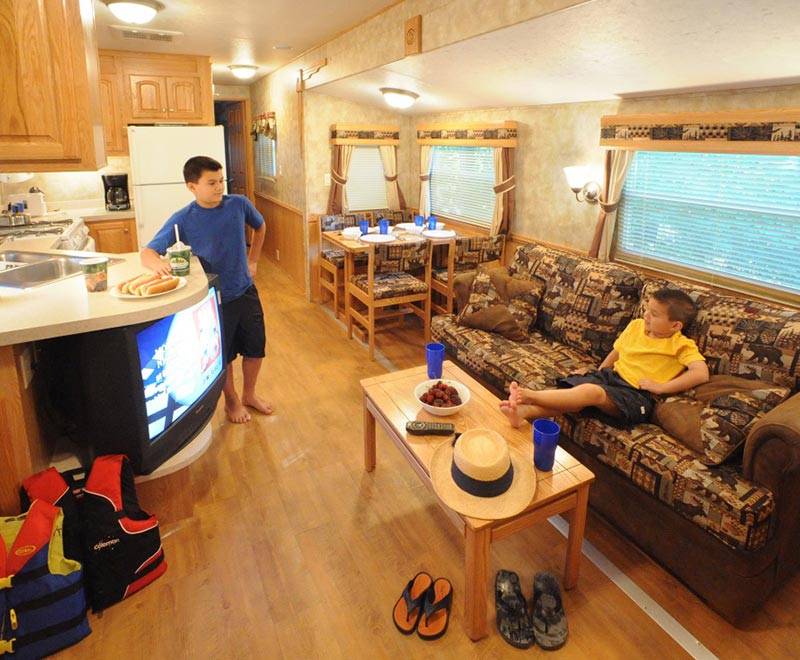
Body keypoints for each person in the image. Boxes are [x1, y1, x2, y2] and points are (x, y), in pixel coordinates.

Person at [141, 155, 274, 424]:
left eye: (221, 180)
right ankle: (232, 400)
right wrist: (157, 264)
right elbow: (148, 252)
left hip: (245, 290)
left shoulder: (239, 204)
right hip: (212, 299)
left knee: (255, 348)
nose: (219, 187)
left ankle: (250, 394)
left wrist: (254, 260)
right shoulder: (183, 219)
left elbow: (260, 227)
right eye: (211, 182)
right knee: (221, 357)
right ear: (192, 187)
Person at [500, 288, 710, 428]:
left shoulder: (680, 344)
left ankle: (529, 396)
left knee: (591, 392)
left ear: (675, 325)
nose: (646, 315)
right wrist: (596, 373)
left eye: (654, 314)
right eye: (647, 309)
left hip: (635, 394)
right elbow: (616, 352)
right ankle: (524, 412)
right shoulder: (636, 326)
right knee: (575, 395)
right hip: (610, 378)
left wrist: (661, 388)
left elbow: (701, 373)